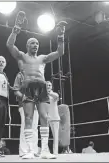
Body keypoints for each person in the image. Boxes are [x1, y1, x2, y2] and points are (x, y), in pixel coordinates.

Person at [6, 11, 66, 159]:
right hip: (28, 87)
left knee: (44, 117)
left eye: (37, 43)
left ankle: (44, 150)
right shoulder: (22, 56)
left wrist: (60, 35)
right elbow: (9, 44)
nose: (35, 45)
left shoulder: (43, 58)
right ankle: (29, 150)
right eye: (32, 43)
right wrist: (16, 28)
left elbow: (60, 52)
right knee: (28, 118)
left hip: (42, 88)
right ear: (27, 45)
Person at [13, 71, 39, 157]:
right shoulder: (20, 75)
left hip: (36, 105)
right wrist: (24, 97)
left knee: (35, 127)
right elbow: (16, 90)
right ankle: (23, 151)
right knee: (25, 126)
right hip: (24, 104)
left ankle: (34, 150)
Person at [45, 81, 60, 155]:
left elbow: (56, 97)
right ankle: (46, 151)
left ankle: (55, 152)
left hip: (55, 118)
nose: (48, 86)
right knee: (45, 136)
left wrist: (48, 93)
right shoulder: (43, 95)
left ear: (51, 86)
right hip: (47, 118)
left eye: (49, 85)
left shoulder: (54, 94)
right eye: (47, 85)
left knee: (55, 136)